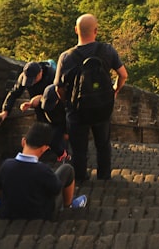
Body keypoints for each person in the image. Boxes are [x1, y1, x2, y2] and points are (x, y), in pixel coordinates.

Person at [54, 13, 127, 183]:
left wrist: (68, 103)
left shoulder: (66, 57)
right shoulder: (107, 50)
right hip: (102, 107)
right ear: (96, 30)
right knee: (103, 144)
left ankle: (80, 178)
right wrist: (114, 90)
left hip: (77, 110)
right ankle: (104, 176)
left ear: (75, 30)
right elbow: (123, 75)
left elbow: (58, 88)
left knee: (78, 148)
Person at [0, 122, 86, 220]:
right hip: (39, 214)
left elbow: (1, 189)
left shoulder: (6, 165)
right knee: (67, 169)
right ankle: (68, 205)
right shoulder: (43, 170)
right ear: (45, 148)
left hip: (7, 213)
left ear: (23, 142)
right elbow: (56, 189)